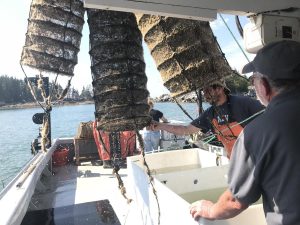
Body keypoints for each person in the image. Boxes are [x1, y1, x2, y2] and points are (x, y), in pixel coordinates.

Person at [189, 40, 300, 225]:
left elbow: (235, 201)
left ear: (264, 85)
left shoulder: (256, 133)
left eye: (253, 80)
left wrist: (210, 209)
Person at [153, 79, 264, 158]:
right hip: (236, 162)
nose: (205, 95)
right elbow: (186, 130)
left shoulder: (243, 103)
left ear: (220, 88)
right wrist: (160, 125)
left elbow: (270, 117)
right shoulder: (209, 113)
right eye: (203, 91)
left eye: (207, 90)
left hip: (257, 157)